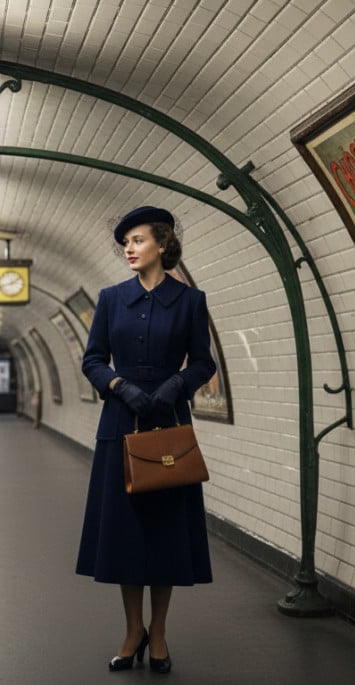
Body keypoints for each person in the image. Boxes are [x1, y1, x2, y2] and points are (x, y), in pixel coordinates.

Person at [76, 205, 216, 674]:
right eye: (126, 244)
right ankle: (132, 629)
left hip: (169, 422)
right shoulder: (111, 299)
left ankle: (158, 633)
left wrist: (179, 384)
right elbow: (93, 359)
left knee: (165, 532)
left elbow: (203, 362)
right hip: (120, 422)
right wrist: (119, 385)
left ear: (161, 243)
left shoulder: (191, 302)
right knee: (127, 532)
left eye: (137, 240)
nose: (129, 249)